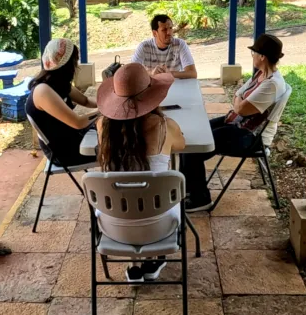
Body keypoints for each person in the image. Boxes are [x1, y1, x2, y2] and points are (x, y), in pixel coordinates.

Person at [96, 63, 186, 283]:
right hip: (160, 227)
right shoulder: (166, 126)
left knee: (127, 194)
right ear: (153, 97)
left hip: (113, 227)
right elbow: (181, 145)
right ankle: (153, 258)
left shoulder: (102, 127)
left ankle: (135, 263)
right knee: (168, 191)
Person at [180, 33, 287, 212]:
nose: (252, 55)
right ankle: (187, 188)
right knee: (192, 135)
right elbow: (239, 95)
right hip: (237, 125)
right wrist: (239, 101)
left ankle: (200, 198)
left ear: (262, 56)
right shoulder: (262, 75)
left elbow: (241, 108)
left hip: (250, 137)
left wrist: (239, 102)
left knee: (195, 147)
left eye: (254, 52)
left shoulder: (272, 84)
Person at [26, 38, 98, 165]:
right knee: (119, 148)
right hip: (63, 151)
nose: (77, 64)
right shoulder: (43, 91)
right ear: (68, 63)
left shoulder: (58, 82)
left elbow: (86, 101)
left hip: (71, 137)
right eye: (76, 60)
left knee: (113, 132)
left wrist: (108, 101)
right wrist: (105, 110)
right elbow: (78, 123)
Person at [131, 14, 197, 79]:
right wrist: (151, 73)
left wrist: (169, 74)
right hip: (152, 87)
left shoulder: (180, 44)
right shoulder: (144, 47)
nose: (169, 32)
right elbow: (132, 72)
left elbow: (192, 73)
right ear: (154, 33)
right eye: (164, 30)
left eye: (170, 28)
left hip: (175, 86)